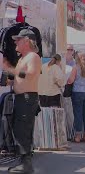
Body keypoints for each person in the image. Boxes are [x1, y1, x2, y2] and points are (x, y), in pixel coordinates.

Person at [4, 29, 41, 173]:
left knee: (23, 130)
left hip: (27, 99)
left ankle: (26, 165)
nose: (15, 42)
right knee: (19, 129)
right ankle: (23, 162)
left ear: (26, 41)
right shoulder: (23, 58)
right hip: (22, 98)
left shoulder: (33, 56)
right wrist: (9, 82)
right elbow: (21, 78)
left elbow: (30, 75)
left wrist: (12, 70)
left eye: (18, 39)